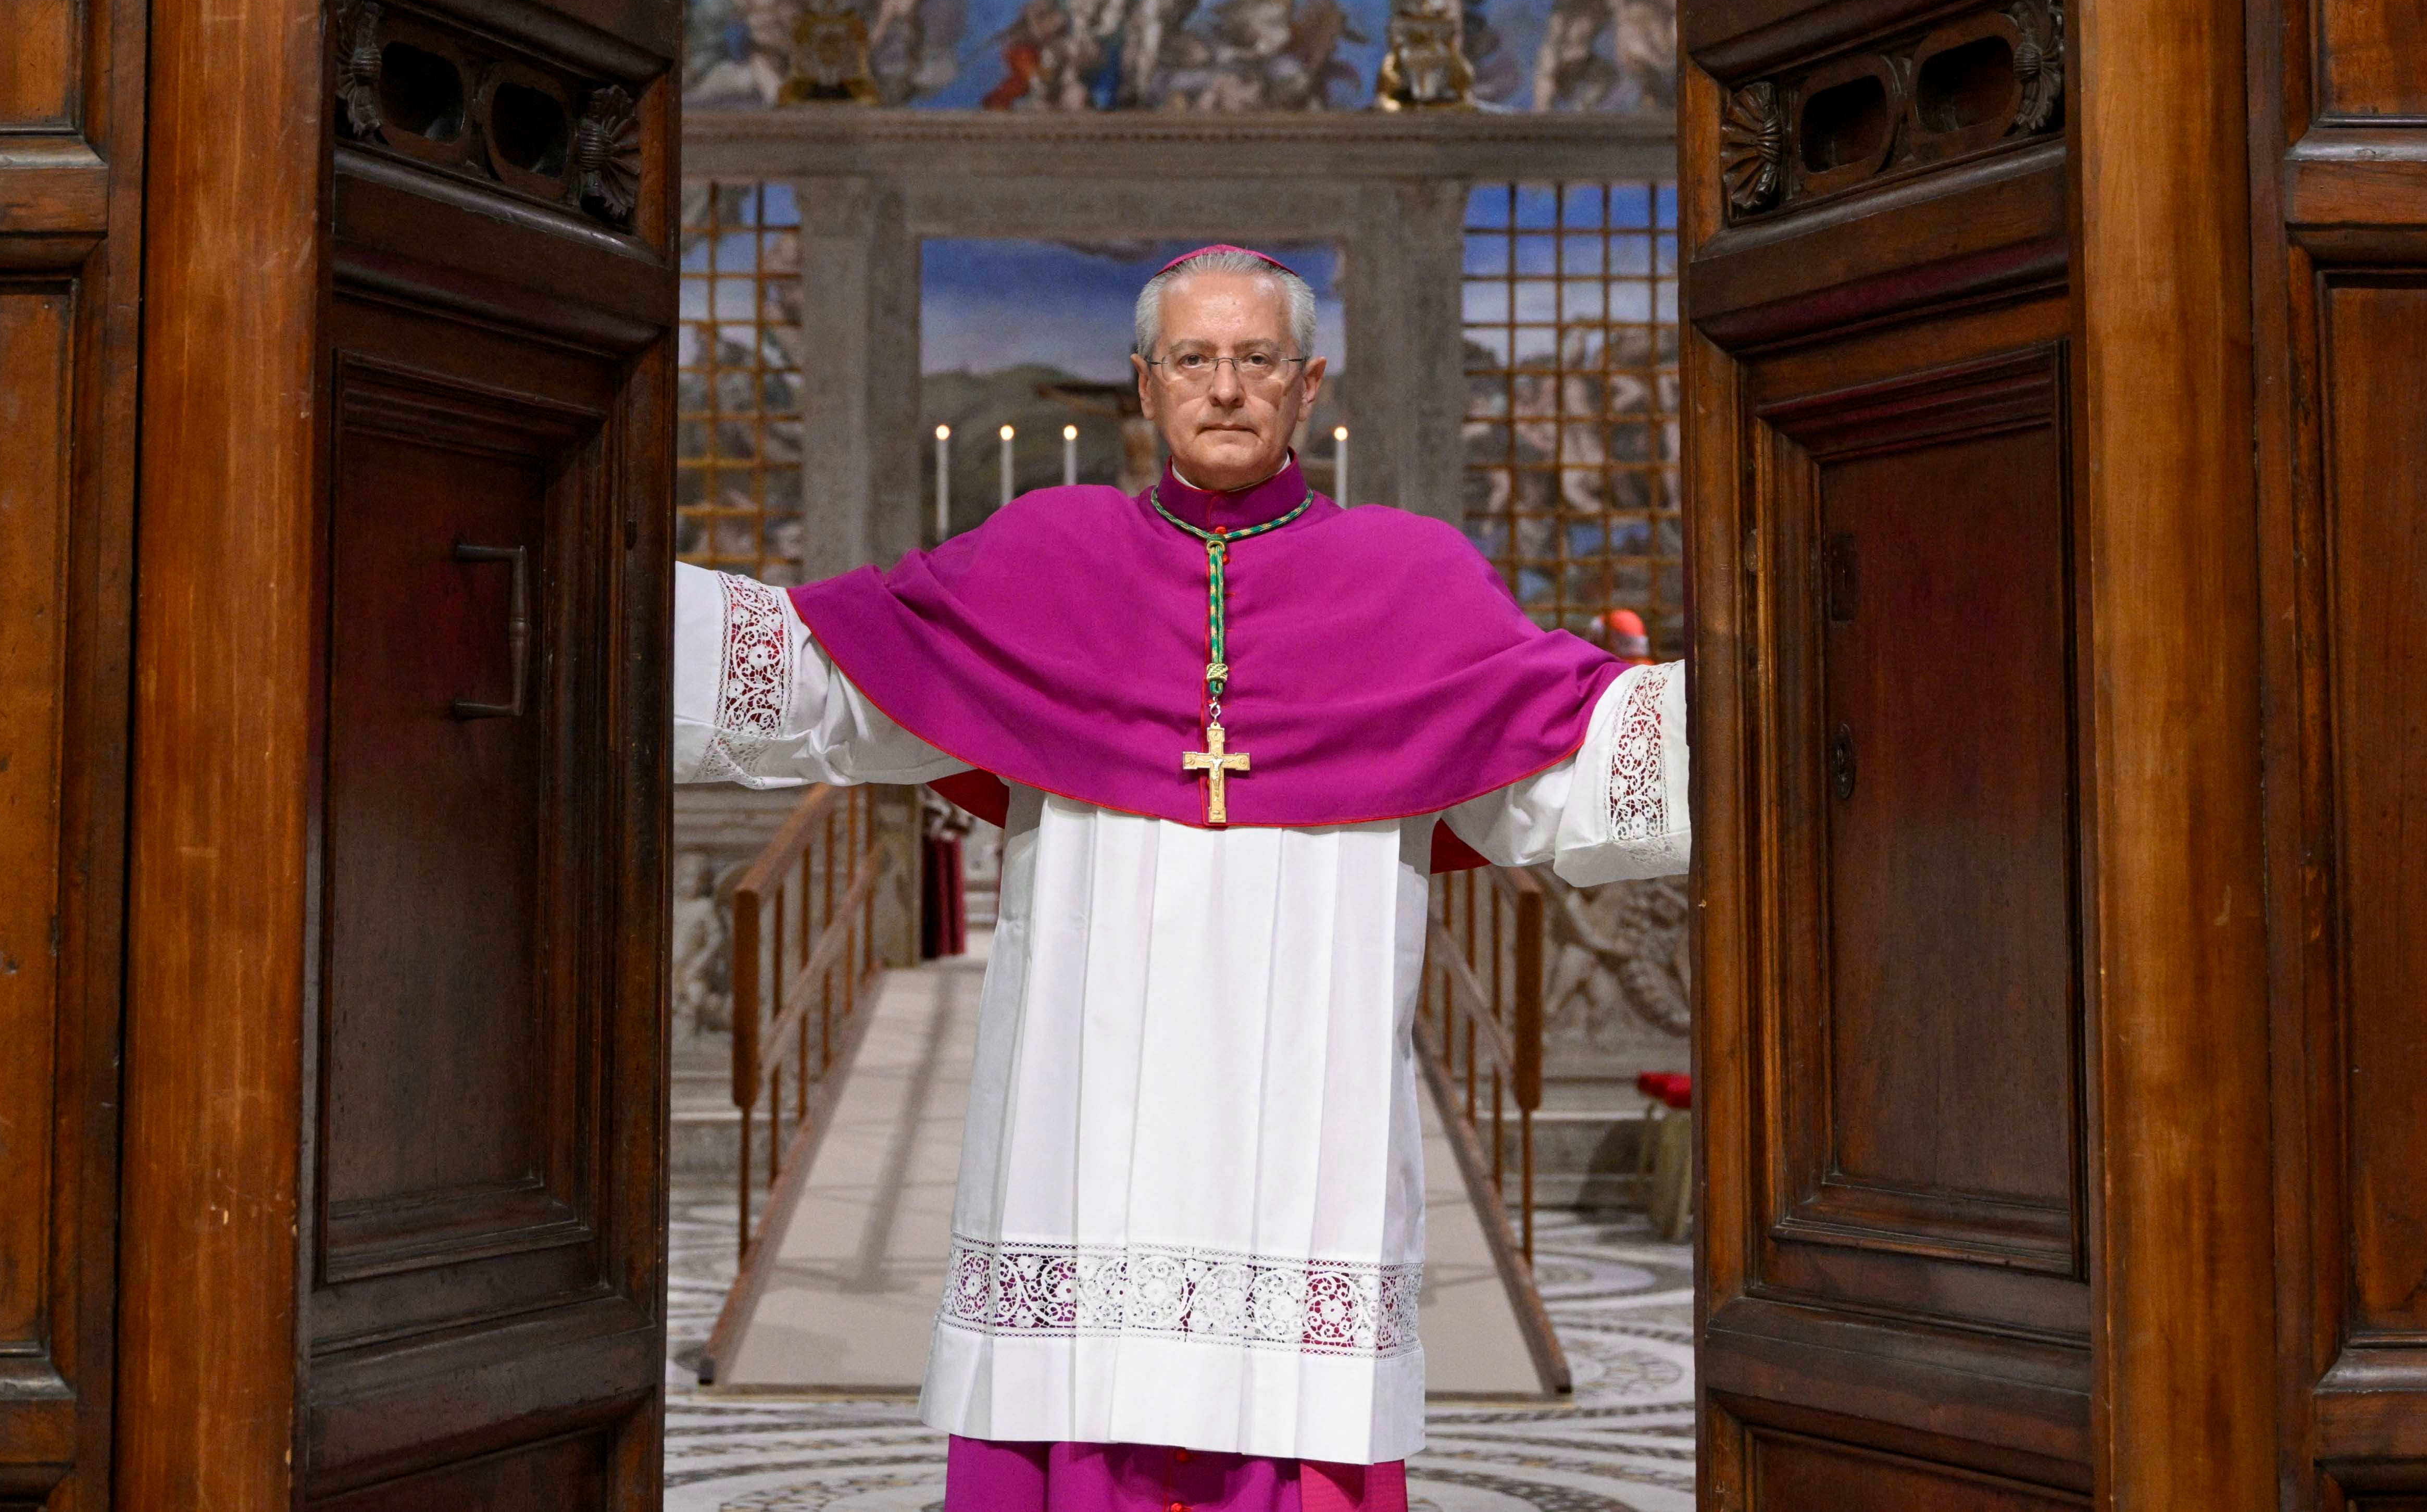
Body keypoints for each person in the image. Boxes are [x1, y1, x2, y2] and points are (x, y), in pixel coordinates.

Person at [672, 248, 1692, 1508]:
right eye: (1194, 359)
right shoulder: (1042, 555)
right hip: (1078, 1092)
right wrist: (619, 595)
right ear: (1145, 384)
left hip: (1306, 1090)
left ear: (1307, 384)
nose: (1224, 386)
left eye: (1257, 358)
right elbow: (843, 674)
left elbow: (1558, 753)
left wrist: (1760, 703)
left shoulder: (1414, 581)